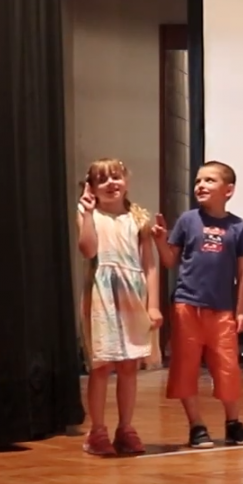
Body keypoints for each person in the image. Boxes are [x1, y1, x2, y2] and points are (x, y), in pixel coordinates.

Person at [152, 161, 243, 448]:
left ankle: (233, 423)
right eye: (198, 180)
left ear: (228, 190)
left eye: (210, 180)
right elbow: (170, 260)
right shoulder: (188, 220)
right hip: (187, 306)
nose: (201, 185)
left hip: (222, 310)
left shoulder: (238, 226)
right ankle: (196, 425)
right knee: (185, 367)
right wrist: (161, 241)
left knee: (227, 368)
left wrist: (240, 311)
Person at [75, 158, 163, 455]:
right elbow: (88, 250)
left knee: (128, 366)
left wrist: (153, 305)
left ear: (126, 180)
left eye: (116, 177)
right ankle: (97, 431)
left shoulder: (138, 219)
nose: (111, 183)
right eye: (102, 180)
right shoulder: (88, 214)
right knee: (101, 366)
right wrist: (88, 214)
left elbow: (150, 265)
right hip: (101, 296)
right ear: (91, 187)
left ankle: (125, 428)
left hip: (132, 296)